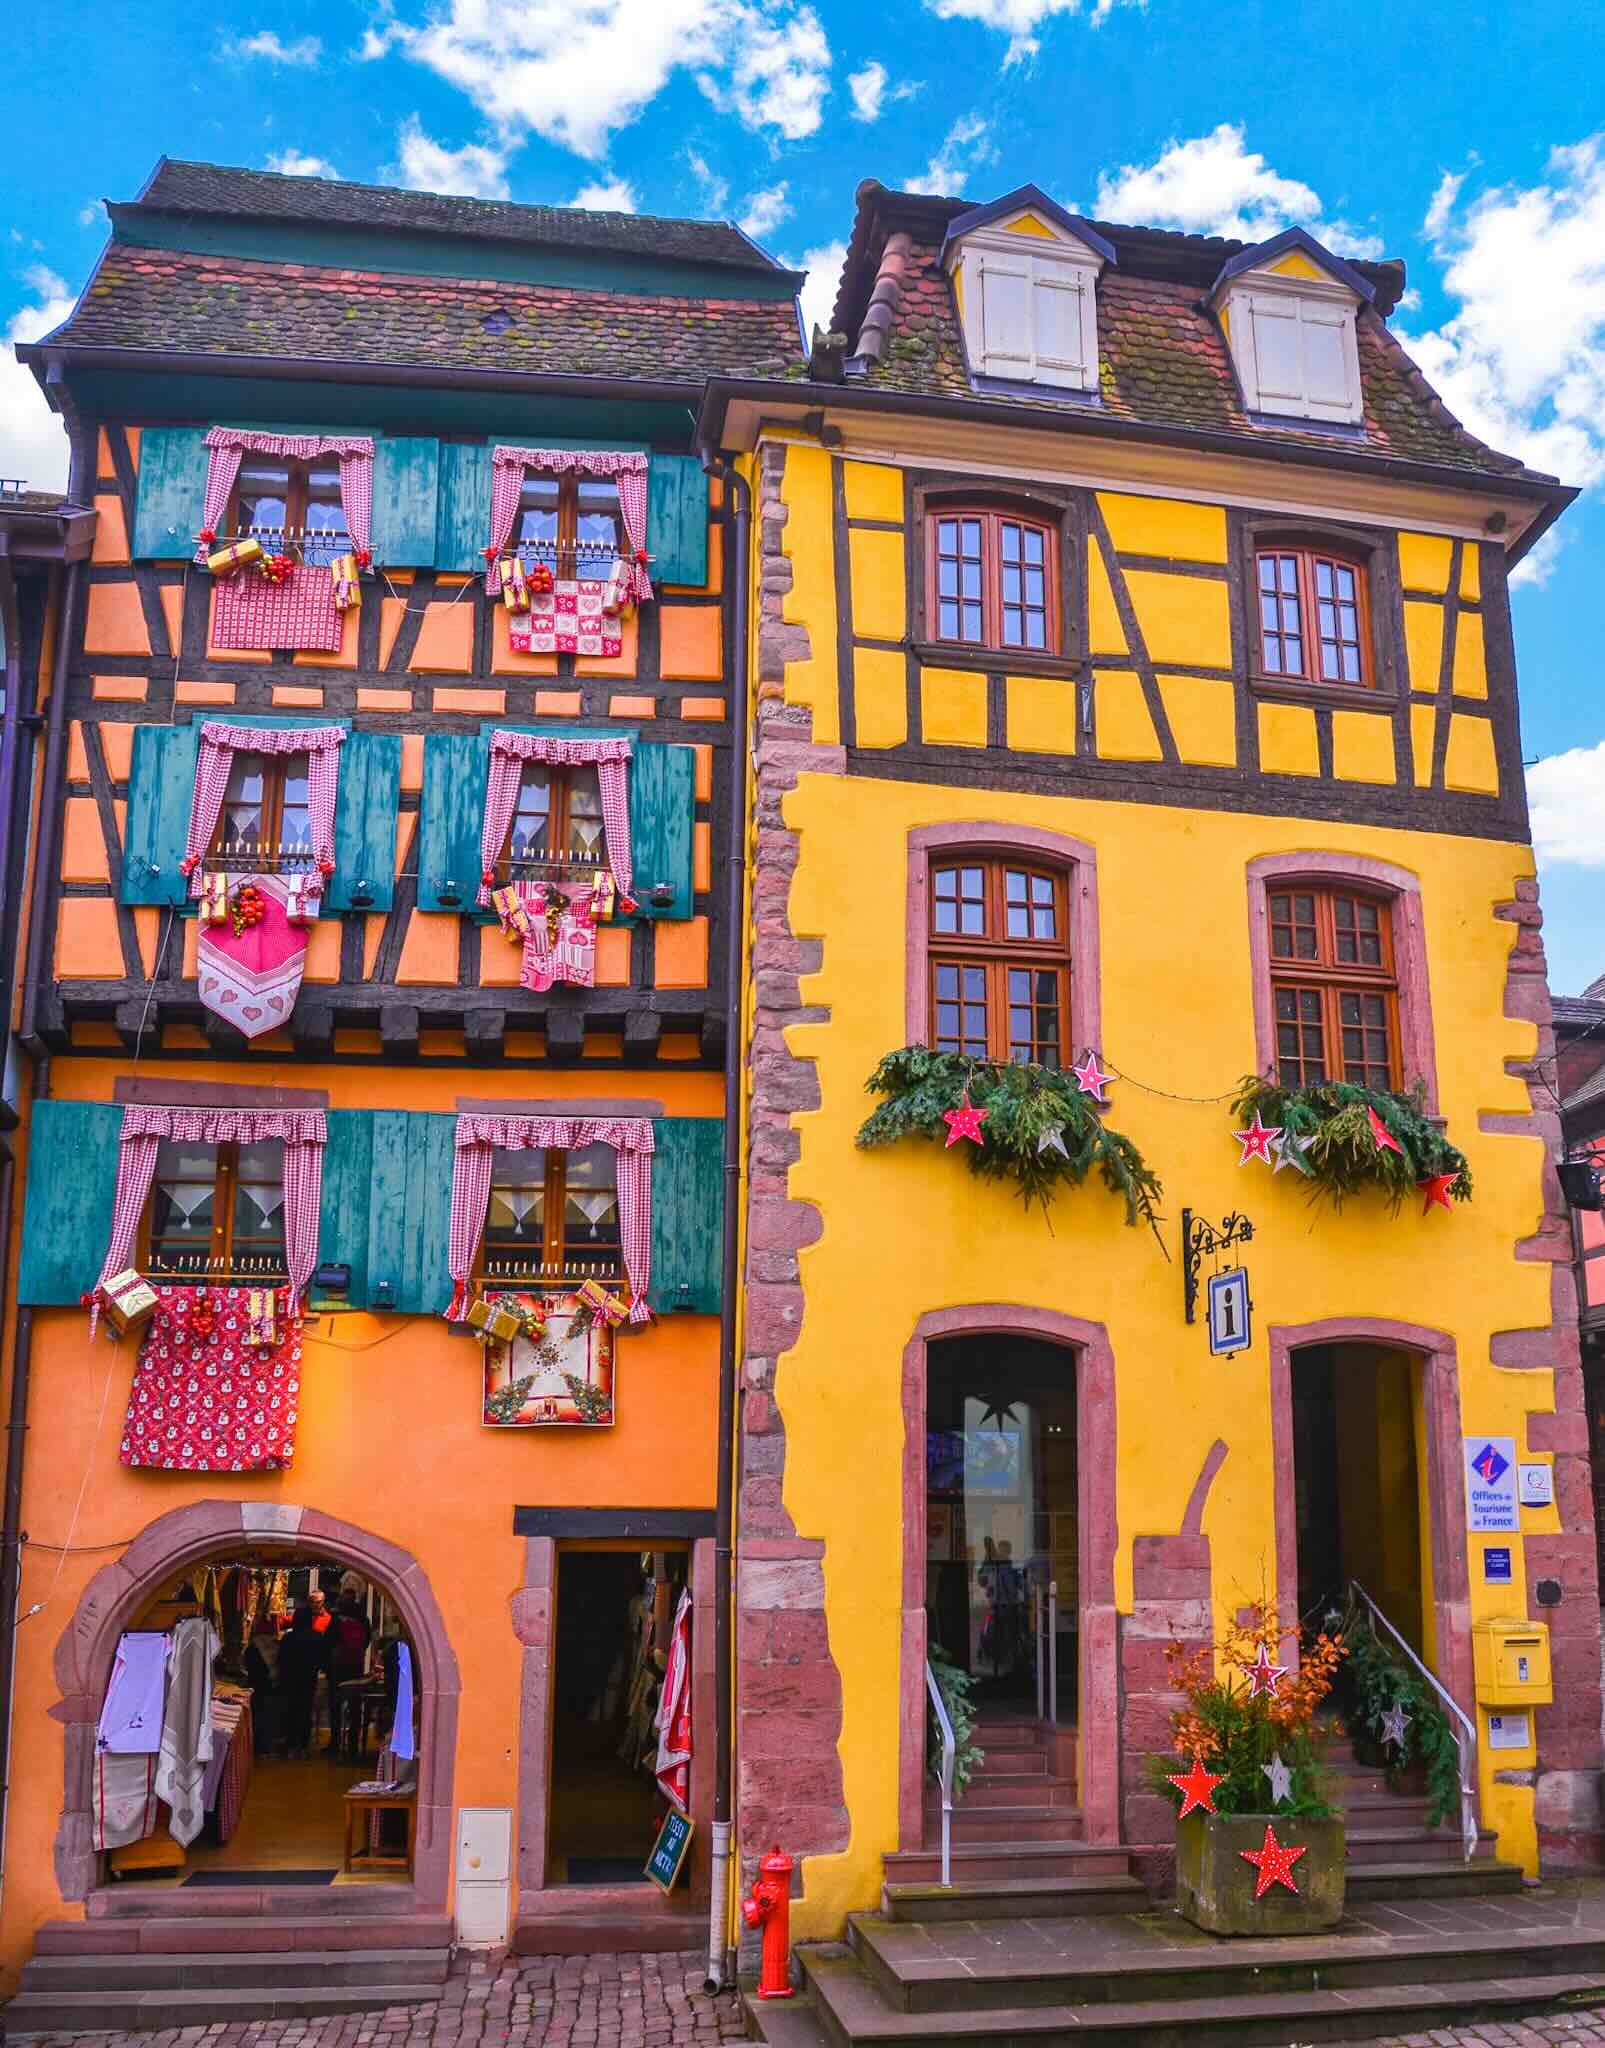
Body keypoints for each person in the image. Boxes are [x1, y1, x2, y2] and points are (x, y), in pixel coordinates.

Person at [277, 1605, 326, 1760]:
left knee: (291, 1711)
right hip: (308, 1678)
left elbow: (281, 1659)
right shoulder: (317, 1637)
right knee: (306, 1711)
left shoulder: (288, 1638)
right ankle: (304, 1746)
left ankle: (291, 1745)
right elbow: (321, 1659)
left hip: (290, 1678)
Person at [329, 1594, 372, 1758]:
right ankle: (353, 1745)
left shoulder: (337, 1620)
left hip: (338, 1667)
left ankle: (335, 1743)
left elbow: (329, 1641)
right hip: (356, 1666)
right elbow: (367, 1641)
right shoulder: (364, 1620)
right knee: (355, 1706)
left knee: (336, 1705)